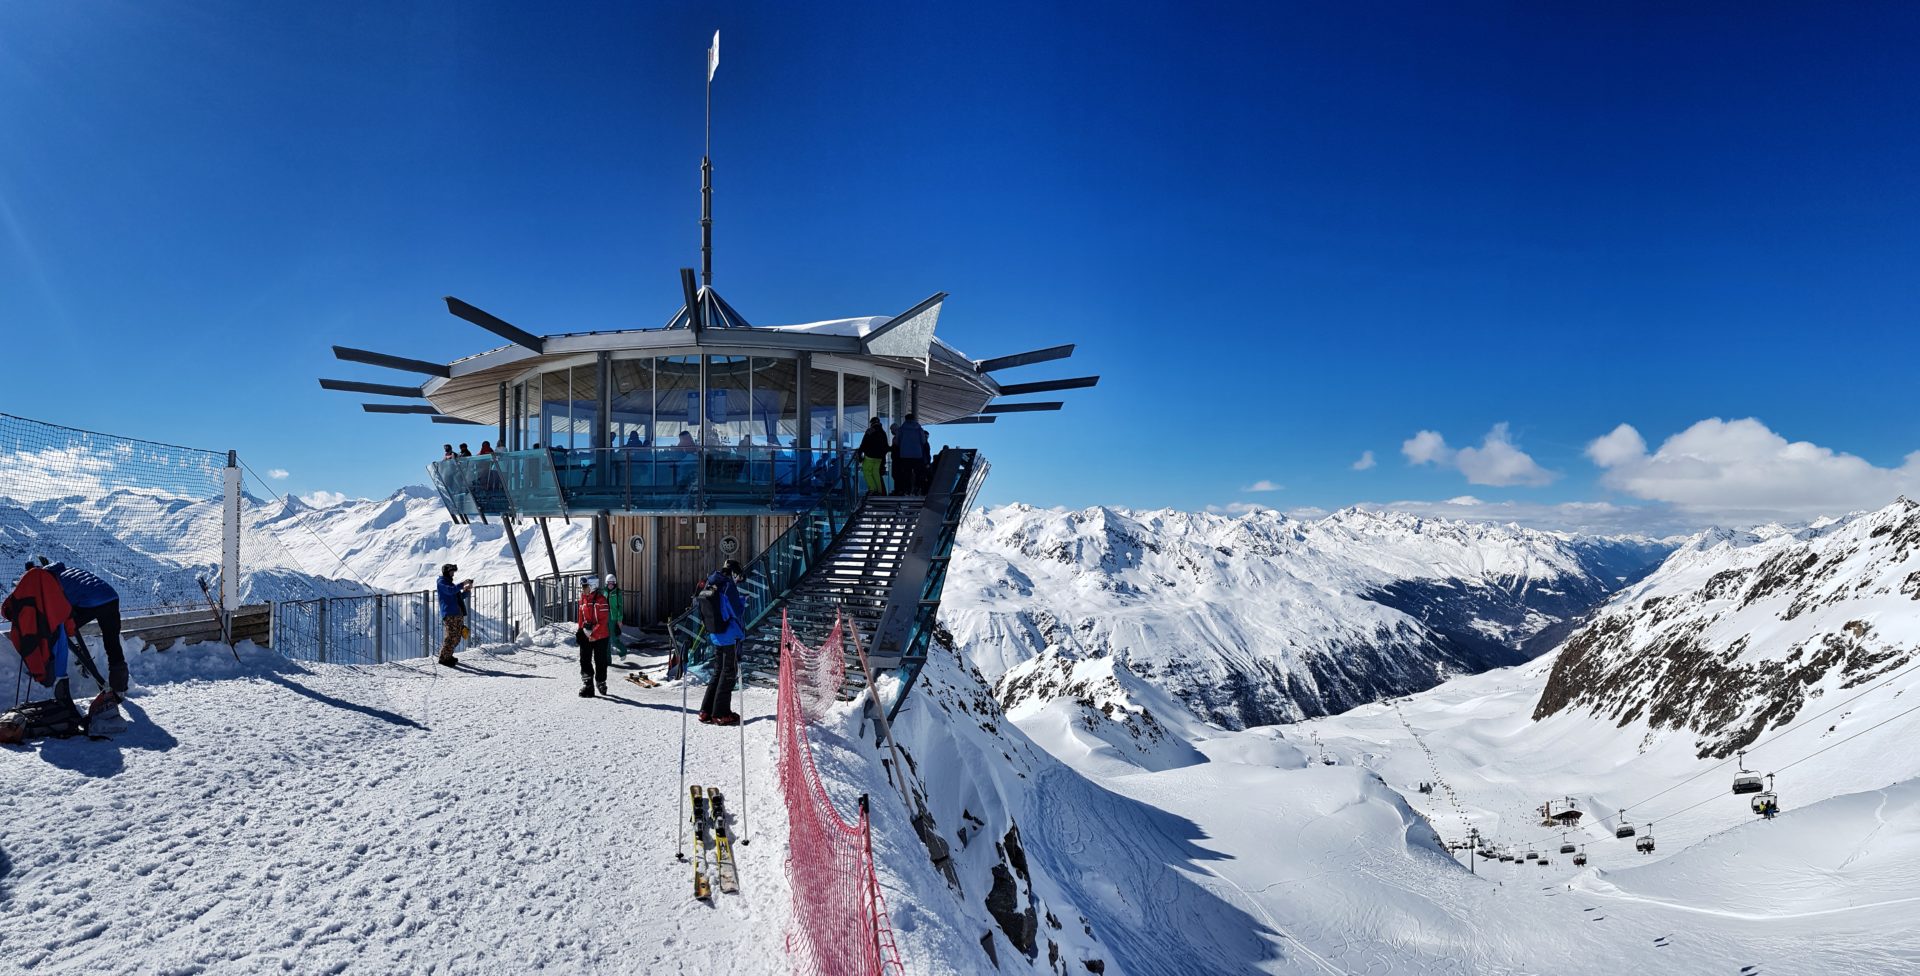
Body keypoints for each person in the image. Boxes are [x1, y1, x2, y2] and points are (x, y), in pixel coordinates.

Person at [43, 559, 127, 706]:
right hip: (111, 597)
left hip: (91, 602)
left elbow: (59, 609)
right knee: (112, 642)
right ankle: (119, 688)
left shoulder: (51, 582)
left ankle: (74, 661)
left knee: (61, 629)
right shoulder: (67, 571)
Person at [697, 559, 747, 725]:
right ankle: (720, 713)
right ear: (733, 572)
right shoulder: (728, 586)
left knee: (718, 671)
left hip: (715, 633)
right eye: (738, 576)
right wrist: (742, 601)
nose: (738, 580)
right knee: (728, 673)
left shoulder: (711, 582)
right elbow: (736, 611)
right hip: (730, 633)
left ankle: (706, 710)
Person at [576, 576, 612, 698]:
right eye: (583, 587)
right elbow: (581, 617)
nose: (583, 589)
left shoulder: (601, 600)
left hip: (600, 635)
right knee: (584, 659)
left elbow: (603, 621)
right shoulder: (583, 599)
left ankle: (601, 682)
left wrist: (594, 635)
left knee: (600, 660)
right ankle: (588, 685)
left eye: (585, 586)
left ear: (592, 587)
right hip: (587, 634)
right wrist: (580, 631)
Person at [436, 563, 473, 667]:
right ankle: (443, 658)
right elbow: (450, 591)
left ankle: (448, 655)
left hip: (457, 613)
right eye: (451, 572)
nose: (453, 574)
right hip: (450, 613)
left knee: (456, 637)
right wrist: (462, 584)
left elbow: (458, 596)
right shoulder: (441, 582)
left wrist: (466, 591)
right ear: (446, 572)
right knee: (451, 636)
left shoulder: (450, 583)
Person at [896, 413, 928, 495]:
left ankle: (907, 490)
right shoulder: (919, 429)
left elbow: (897, 442)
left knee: (906, 473)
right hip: (917, 455)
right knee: (918, 473)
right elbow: (923, 441)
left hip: (905, 455)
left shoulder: (901, 429)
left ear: (905, 419)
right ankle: (917, 488)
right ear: (914, 419)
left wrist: (903, 446)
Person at [858, 417, 889, 495]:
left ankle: (872, 489)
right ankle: (879, 491)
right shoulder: (883, 432)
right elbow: (885, 446)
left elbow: (864, 443)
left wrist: (860, 454)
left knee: (867, 472)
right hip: (879, 458)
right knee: (876, 473)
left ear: (871, 423)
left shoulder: (870, 431)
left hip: (870, 456)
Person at [604, 573, 626, 659]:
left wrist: (620, 619)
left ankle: (623, 651)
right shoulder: (604, 592)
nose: (610, 585)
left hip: (614, 617)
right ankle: (607, 660)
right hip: (605, 617)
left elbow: (620, 606)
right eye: (609, 583)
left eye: (612, 583)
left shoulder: (617, 592)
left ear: (615, 583)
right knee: (606, 639)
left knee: (614, 638)